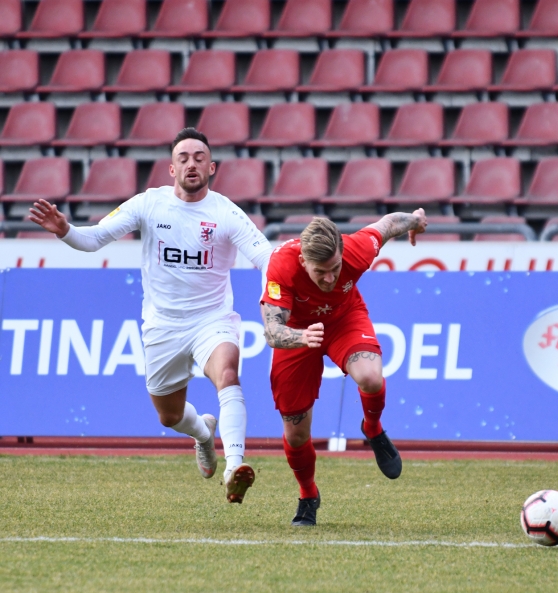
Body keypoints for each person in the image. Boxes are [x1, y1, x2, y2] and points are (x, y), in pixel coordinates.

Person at [27, 128, 272, 504]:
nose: (192, 163)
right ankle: (203, 434)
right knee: (169, 417)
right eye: (183, 158)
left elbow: (266, 258)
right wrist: (65, 231)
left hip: (213, 319)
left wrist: (271, 298)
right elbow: (93, 239)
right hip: (162, 325)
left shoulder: (226, 213)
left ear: (213, 167)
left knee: (228, 374)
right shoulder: (148, 204)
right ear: (171, 169)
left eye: (199, 157)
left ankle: (234, 468)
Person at [260, 211, 428, 527]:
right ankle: (308, 494)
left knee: (370, 376)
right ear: (303, 262)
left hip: (343, 319)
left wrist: (416, 220)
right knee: (296, 434)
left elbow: (389, 224)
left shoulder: (356, 248)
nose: (330, 278)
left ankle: (373, 429)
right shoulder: (281, 264)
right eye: (320, 272)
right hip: (297, 335)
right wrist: (301, 336)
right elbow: (272, 332)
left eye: (335, 268)